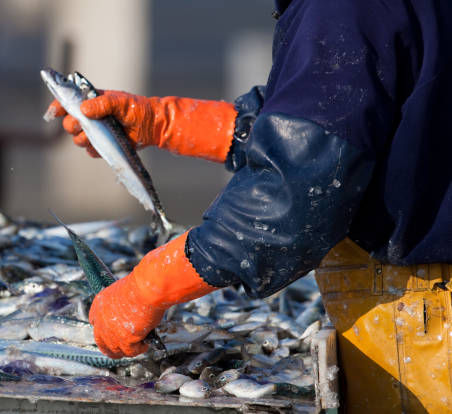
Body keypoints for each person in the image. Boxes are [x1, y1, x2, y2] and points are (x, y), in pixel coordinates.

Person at [47, 0, 451, 412]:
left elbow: (297, 190)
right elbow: (335, 119)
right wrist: (165, 122)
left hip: (427, 315)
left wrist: (149, 285)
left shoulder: (341, 7)